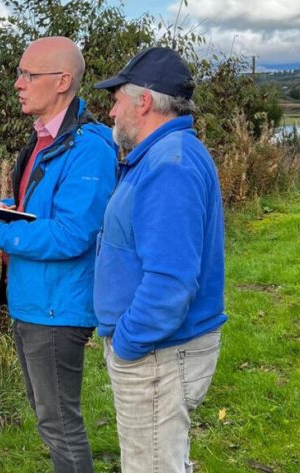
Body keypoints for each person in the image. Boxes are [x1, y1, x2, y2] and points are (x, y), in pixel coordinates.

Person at [0, 36, 117, 473]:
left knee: (59, 422)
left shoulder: (88, 149)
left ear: (63, 81)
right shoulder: (45, 140)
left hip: (57, 306)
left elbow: (71, 235)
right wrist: (9, 210)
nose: (17, 83)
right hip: (33, 299)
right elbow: (47, 210)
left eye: (28, 74)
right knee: (48, 417)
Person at [92, 47, 227, 473]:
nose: (112, 112)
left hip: (158, 354)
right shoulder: (164, 154)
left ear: (144, 101)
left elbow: (170, 281)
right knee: (162, 459)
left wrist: (128, 343)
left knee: (152, 465)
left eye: (116, 100)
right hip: (158, 351)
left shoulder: (170, 165)